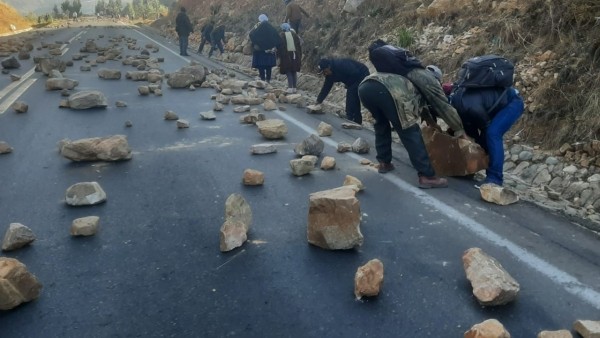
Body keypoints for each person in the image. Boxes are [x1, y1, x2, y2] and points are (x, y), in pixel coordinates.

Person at [358, 72, 448, 188]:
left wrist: (431, 122)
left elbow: (422, 109)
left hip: (365, 87)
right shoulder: (426, 84)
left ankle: (384, 163)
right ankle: (427, 176)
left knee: (381, 124)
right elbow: (420, 108)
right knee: (410, 131)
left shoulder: (412, 76)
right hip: (386, 90)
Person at [368, 39, 468, 140]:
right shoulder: (392, 48)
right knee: (433, 102)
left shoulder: (377, 53)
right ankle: (445, 128)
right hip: (418, 73)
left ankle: (461, 132)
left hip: (412, 75)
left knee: (439, 103)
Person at [447, 83, 524, 187]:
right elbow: (472, 137)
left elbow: (485, 126)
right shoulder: (459, 106)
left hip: (512, 102)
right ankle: (469, 169)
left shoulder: (469, 106)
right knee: (480, 138)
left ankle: (495, 179)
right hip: (493, 105)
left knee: (492, 133)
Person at [315, 57, 369, 125]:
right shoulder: (329, 75)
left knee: (351, 93)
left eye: (325, 71)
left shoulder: (340, 64)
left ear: (329, 67)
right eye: (323, 73)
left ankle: (349, 116)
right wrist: (318, 101)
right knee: (354, 96)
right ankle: (357, 120)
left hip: (362, 74)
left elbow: (355, 72)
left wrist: (349, 83)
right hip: (354, 78)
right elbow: (326, 87)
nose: (325, 74)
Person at [249, 14, 280, 83]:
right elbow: (277, 37)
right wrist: (273, 46)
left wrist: (257, 43)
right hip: (270, 50)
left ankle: (262, 79)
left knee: (261, 65)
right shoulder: (271, 27)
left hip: (260, 50)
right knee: (269, 66)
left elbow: (251, 34)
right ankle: (268, 79)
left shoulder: (258, 27)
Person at [276, 23, 302, 93]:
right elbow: (299, 45)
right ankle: (294, 88)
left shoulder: (282, 35)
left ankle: (290, 87)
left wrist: (278, 56)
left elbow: (280, 47)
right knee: (294, 70)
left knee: (288, 70)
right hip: (296, 55)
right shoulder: (294, 35)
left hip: (286, 55)